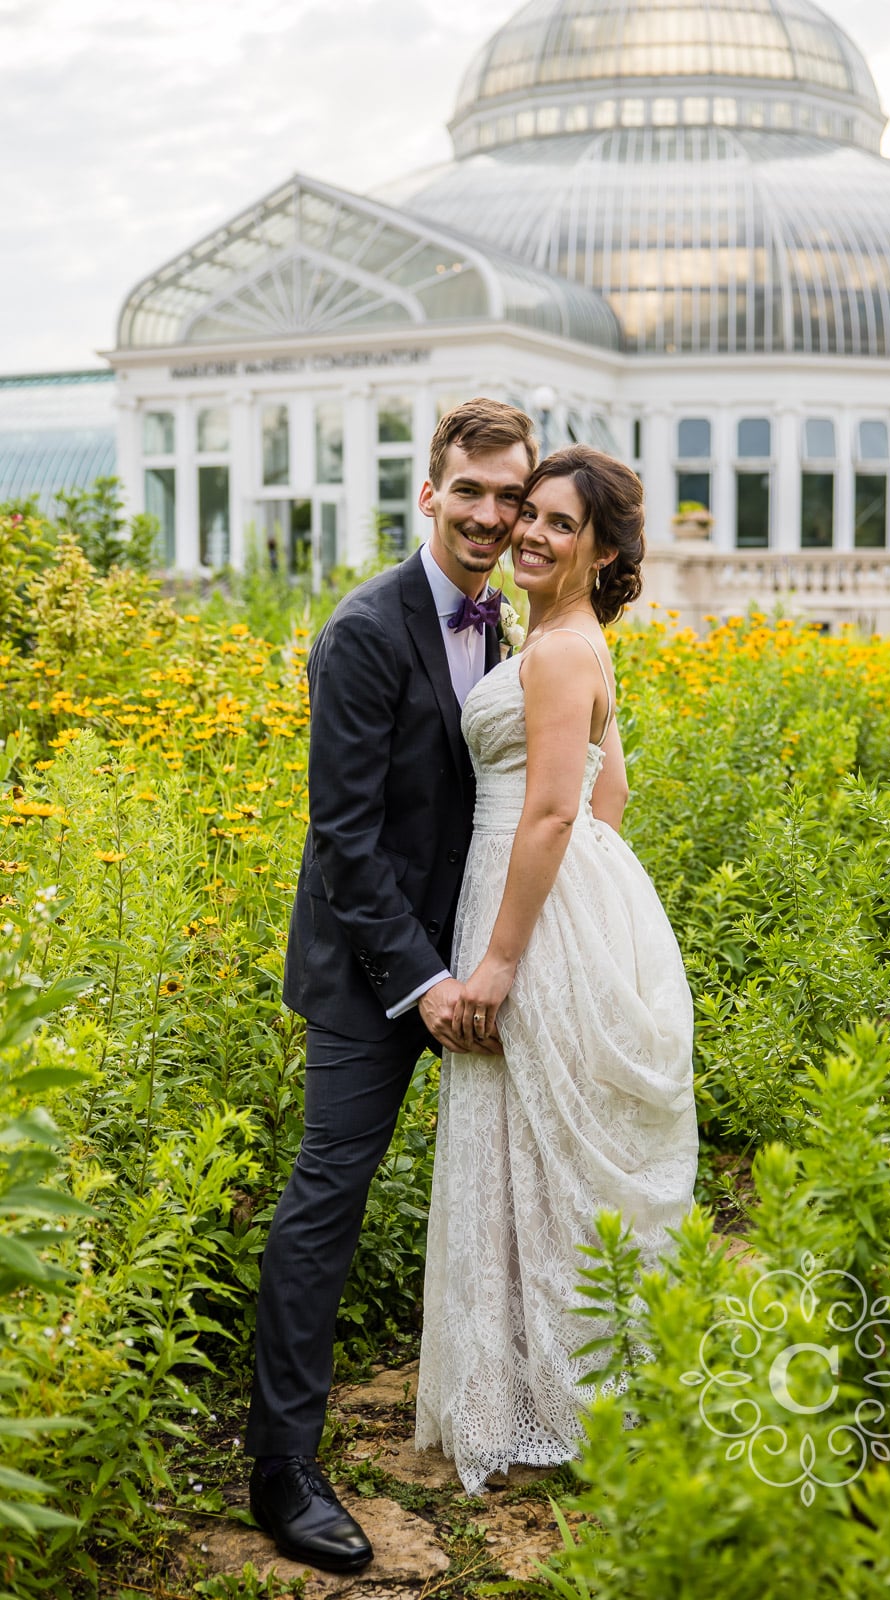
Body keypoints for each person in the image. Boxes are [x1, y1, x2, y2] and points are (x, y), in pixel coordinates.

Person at [245, 398, 539, 1574]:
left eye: (506, 497)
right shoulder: (365, 629)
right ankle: (281, 1470)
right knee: (326, 1203)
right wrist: (420, 981)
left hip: (472, 960)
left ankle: (519, 1409)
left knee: (513, 1182)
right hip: (377, 970)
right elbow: (344, 841)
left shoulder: (501, 626)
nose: (485, 515)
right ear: (429, 493)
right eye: (466, 491)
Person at [414, 445, 698, 1495]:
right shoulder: (565, 636)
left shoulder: (563, 648)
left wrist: (501, 953)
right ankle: (552, 1390)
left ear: (603, 547)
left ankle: (558, 1403)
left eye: (557, 523)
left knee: (536, 1146)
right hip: (557, 897)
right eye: (525, 512)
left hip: (523, 904)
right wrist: (585, 902)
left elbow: (546, 807)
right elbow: (605, 796)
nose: (526, 531)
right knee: (536, 1145)